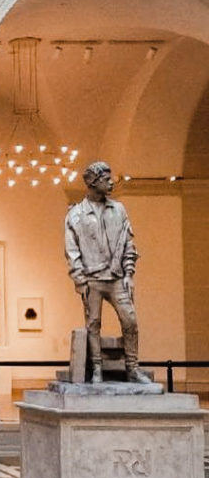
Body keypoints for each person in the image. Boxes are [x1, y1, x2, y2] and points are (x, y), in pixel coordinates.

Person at [64, 161, 150, 383]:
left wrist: (129, 273)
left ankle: (132, 368)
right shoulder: (76, 214)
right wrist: (80, 281)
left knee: (130, 320)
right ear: (93, 183)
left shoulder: (118, 210)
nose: (111, 183)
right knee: (93, 324)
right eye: (106, 179)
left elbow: (128, 243)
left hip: (116, 277)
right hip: (92, 279)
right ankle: (97, 370)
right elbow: (72, 251)